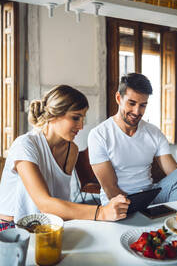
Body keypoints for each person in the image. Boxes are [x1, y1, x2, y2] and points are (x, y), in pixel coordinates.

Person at [0, 85, 129, 228]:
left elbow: (59, 202)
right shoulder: (24, 145)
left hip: (47, 225)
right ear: (53, 115)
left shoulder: (71, 150)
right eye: (75, 118)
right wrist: (101, 213)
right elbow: (44, 203)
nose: (81, 126)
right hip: (10, 229)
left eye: (82, 119)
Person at [88, 73, 177, 206]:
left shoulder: (153, 132)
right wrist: (138, 207)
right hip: (118, 202)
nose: (137, 111)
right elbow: (111, 190)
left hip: (150, 196)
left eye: (142, 105)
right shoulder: (99, 135)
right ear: (119, 98)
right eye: (132, 103)